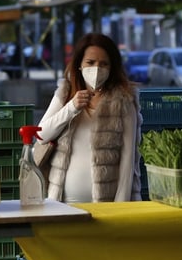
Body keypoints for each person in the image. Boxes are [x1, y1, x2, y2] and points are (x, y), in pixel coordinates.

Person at [37, 33, 142, 203]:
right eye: (90, 62)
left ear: (111, 68)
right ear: (79, 64)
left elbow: (128, 162)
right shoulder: (65, 93)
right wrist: (71, 107)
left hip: (105, 206)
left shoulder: (123, 101)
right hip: (62, 203)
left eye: (104, 64)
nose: (97, 69)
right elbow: (41, 135)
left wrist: (119, 208)